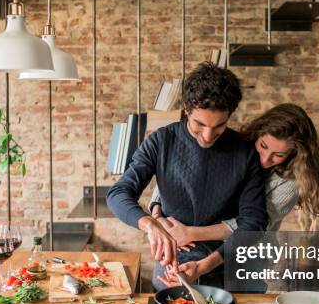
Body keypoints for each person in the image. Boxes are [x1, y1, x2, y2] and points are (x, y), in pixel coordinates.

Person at [106, 62, 268, 290]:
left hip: (230, 257)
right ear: (186, 109)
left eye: (219, 125)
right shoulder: (161, 141)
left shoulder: (244, 152)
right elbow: (118, 193)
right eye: (199, 124)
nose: (208, 135)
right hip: (176, 260)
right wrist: (151, 225)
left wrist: (204, 266)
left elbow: (254, 223)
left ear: (230, 115)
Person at [150, 103, 319, 258]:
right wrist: (157, 214)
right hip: (199, 246)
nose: (264, 159)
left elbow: (253, 223)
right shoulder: (236, 147)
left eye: (278, 155)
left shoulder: (290, 184)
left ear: (295, 154)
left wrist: (189, 233)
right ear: (258, 133)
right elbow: (177, 173)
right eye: (263, 146)